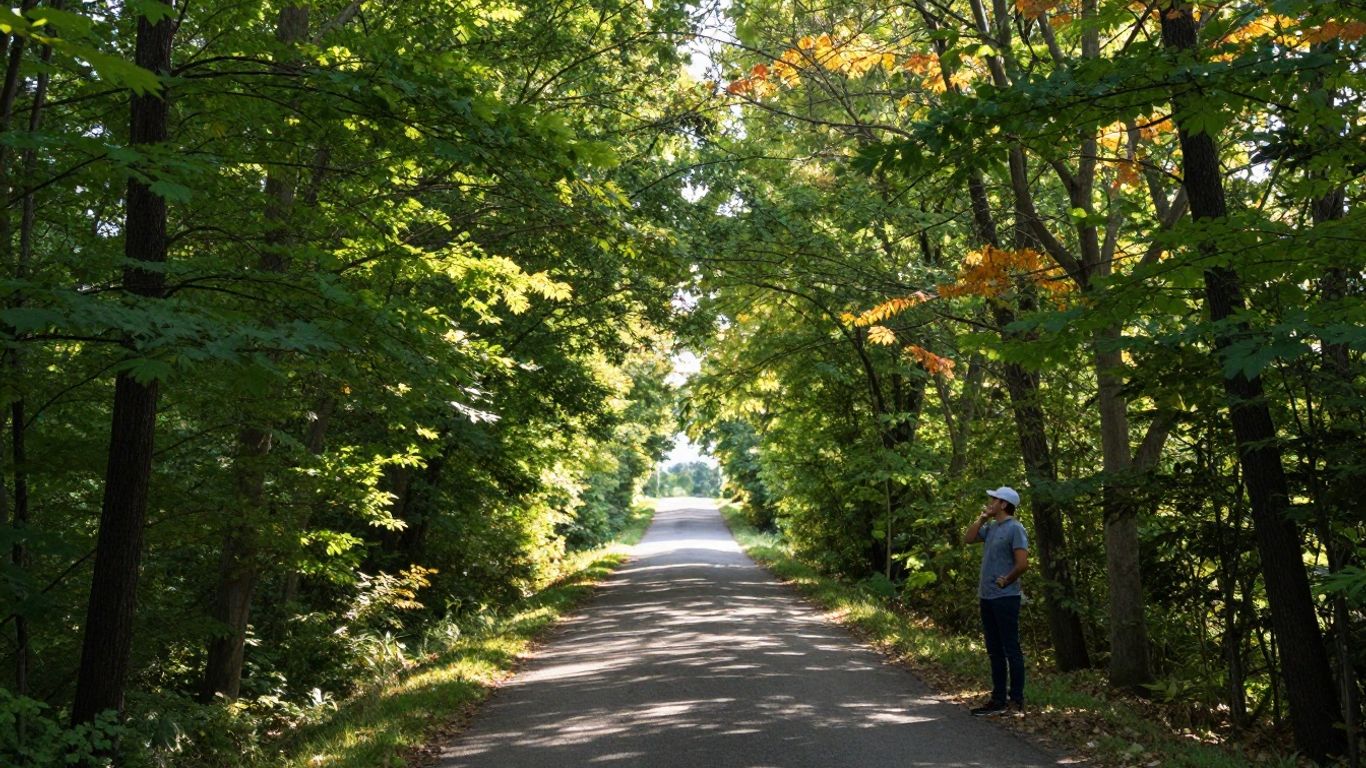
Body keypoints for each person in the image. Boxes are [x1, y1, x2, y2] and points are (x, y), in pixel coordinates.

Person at [962, 485, 1029, 717]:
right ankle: (998, 699)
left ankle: (1016, 700)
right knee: (994, 650)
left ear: (1003, 504)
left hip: (1006, 597)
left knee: (1011, 649)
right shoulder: (990, 527)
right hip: (987, 596)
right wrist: (981, 518)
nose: (990, 502)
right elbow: (968, 538)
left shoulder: (1015, 529)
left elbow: (1022, 564)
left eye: (994, 499)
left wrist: (1007, 579)